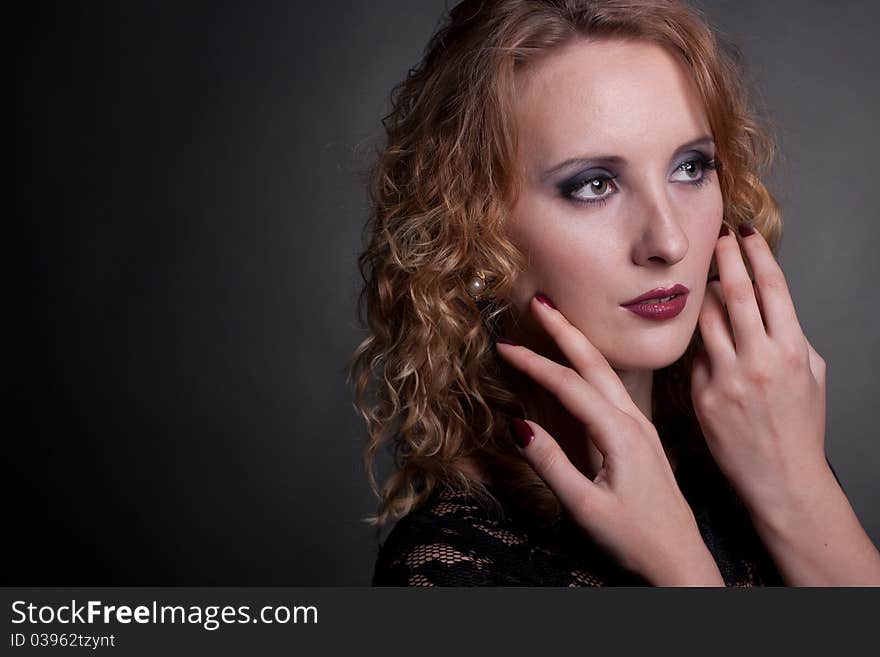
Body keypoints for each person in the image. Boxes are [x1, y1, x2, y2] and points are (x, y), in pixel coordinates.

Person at [349, 0, 880, 586]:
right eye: (594, 185)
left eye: (690, 168)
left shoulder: (763, 454)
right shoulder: (452, 567)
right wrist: (682, 575)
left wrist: (798, 489)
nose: (669, 241)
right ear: (469, 232)